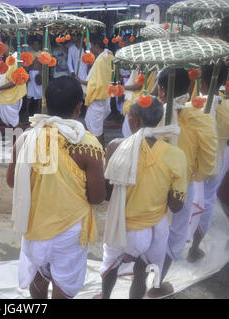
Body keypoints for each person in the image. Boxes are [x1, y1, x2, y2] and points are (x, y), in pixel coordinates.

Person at [7, 76, 106, 299]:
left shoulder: (25, 139)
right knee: (64, 285)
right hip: (69, 233)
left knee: (39, 277)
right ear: (79, 108)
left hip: (35, 227)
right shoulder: (88, 145)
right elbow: (97, 198)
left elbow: (12, 182)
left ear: (46, 104)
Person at [97, 97, 187, 299]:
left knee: (111, 266)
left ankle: (105, 297)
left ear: (134, 120)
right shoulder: (176, 154)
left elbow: (106, 195)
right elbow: (176, 205)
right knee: (141, 275)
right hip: (154, 228)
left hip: (121, 226)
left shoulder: (114, 147)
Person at [148, 68, 217, 298]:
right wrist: (194, 177)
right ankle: (156, 284)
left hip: (149, 184)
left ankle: (141, 274)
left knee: (147, 230)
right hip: (181, 187)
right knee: (175, 235)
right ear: (189, 89)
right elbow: (208, 161)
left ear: (162, 89)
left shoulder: (149, 113)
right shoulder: (201, 118)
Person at [187, 64, 229, 263]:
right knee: (207, 203)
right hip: (215, 162)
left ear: (201, 82)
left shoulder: (192, 107)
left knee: (189, 199)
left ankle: (181, 240)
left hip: (193, 162)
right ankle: (194, 247)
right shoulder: (226, 107)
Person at [83, 35, 114, 146]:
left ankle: (100, 152)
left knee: (96, 130)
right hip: (104, 96)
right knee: (92, 125)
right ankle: (98, 149)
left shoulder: (102, 59)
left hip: (98, 97)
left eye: (92, 46)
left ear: (97, 46)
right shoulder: (109, 56)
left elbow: (98, 83)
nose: (91, 49)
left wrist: (81, 82)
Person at [0, 48, 27, 128]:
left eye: (3, 45)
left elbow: (14, 82)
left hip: (12, 97)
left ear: (11, 47)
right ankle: (15, 137)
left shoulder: (15, 60)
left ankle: (17, 138)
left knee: (13, 122)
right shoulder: (10, 59)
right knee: (11, 122)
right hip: (9, 96)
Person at [121, 70, 157, 138]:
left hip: (140, 100)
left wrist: (122, 87)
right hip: (145, 99)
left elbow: (138, 86)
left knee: (129, 133)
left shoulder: (145, 67)